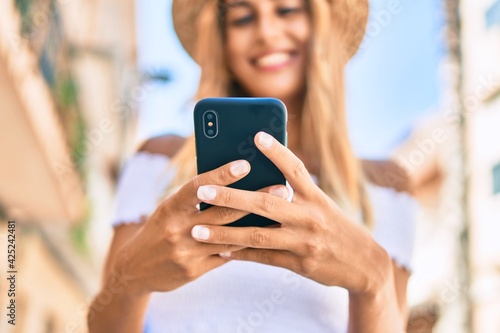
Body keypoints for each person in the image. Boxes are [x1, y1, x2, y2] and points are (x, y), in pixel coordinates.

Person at [88, 0, 416, 332]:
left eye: (287, 10)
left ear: (321, 24)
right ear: (221, 39)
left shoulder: (386, 187)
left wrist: (374, 277)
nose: (266, 32)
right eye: (242, 17)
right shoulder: (159, 160)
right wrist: (132, 280)